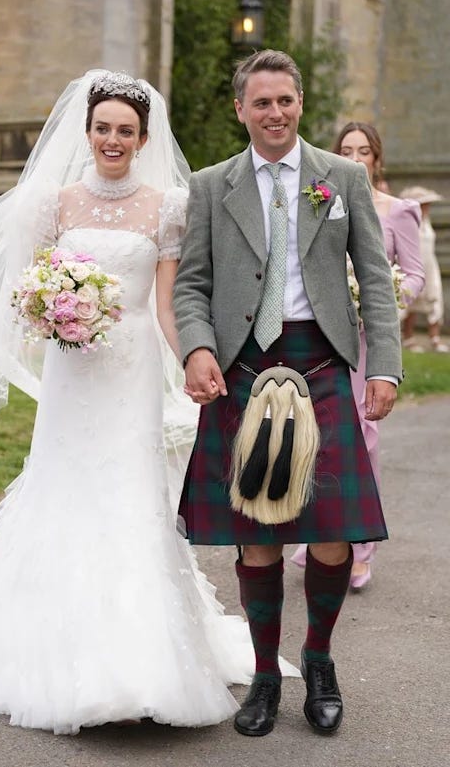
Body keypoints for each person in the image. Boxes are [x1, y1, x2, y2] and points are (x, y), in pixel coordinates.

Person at [0, 71, 298, 735]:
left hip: (128, 374)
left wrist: (191, 359)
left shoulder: (166, 207)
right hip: (73, 374)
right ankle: (55, 655)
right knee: (65, 491)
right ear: (88, 133)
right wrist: (54, 314)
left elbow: (163, 301)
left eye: (126, 130)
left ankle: (140, 664)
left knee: (129, 494)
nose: (113, 140)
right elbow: (28, 291)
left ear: (143, 137)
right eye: (103, 129)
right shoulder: (54, 202)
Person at [174, 50, 402, 737]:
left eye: (286, 101)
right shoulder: (213, 185)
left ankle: (320, 657)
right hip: (243, 369)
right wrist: (197, 346)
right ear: (241, 109)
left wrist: (384, 365)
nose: (275, 113)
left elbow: (376, 276)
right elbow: (191, 283)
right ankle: (267, 673)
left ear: (300, 104)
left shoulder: (340, 178)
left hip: (323, 365)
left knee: (333, 530)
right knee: (257, 539)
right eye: (262, 102)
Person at [290, 122, 425, 588]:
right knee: (317, 432)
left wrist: (379, 300)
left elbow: (415, 275)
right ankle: (317, 534)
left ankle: (360, 549)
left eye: (363, 150)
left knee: (362, 437)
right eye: (346, 150)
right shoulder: (319, 199)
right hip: (326, 336)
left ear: (377, 158)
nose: (355, 158)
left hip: (367, 338)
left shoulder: (399, 211)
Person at [400, 186, 448, 353]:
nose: (426, 207)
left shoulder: (427, 221)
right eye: (423, 204)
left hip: (430, 266)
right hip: (413, 266)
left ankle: (434, 338)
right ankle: (408, 338)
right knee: (410, 302)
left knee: (435, 300)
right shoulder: (407, 222)